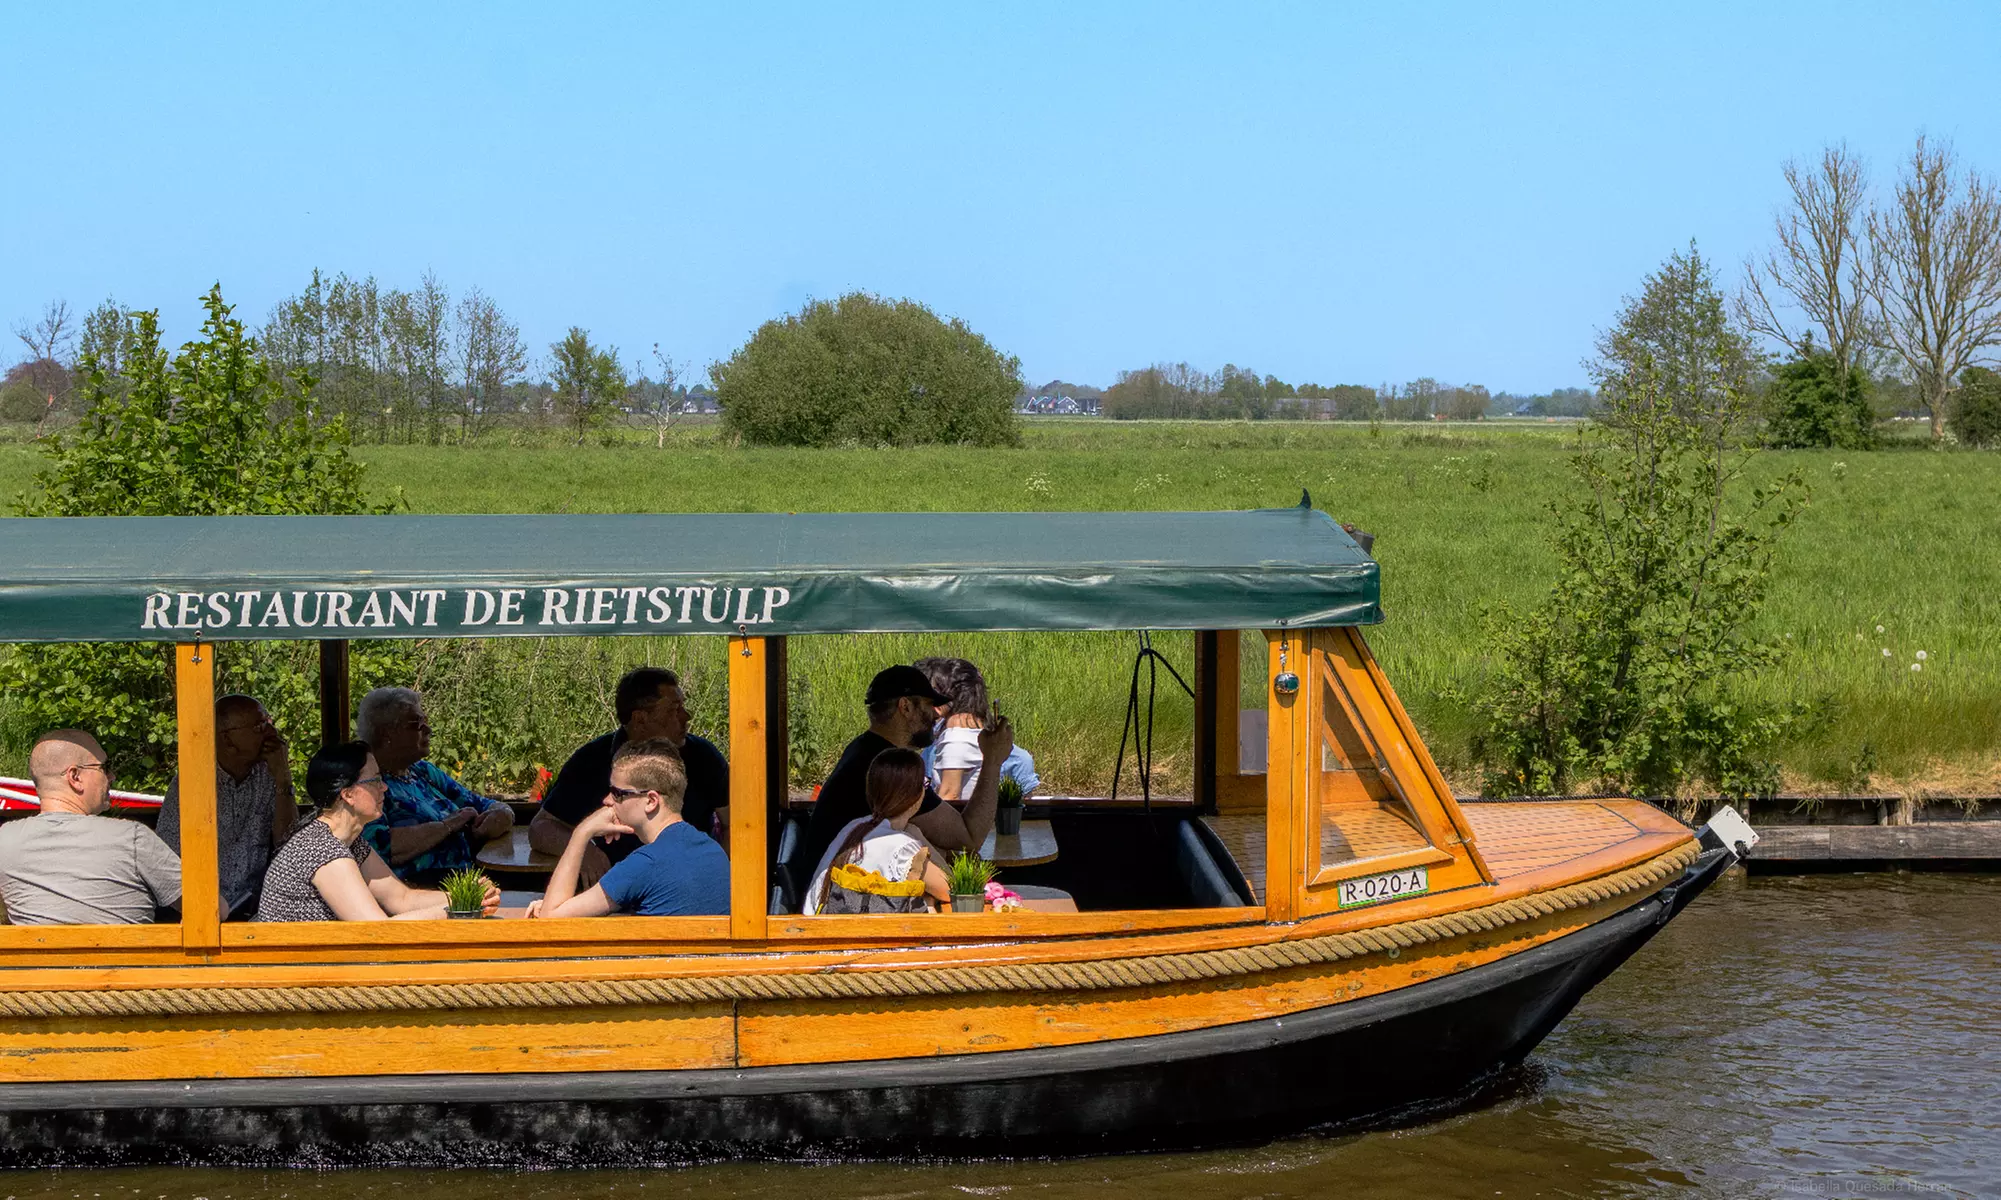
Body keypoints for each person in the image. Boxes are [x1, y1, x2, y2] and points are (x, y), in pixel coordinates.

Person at [799, 665, 1012, 873]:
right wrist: (992, 760)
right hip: (841, 899)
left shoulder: (864, 749)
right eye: (929, 705)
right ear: (906, 707)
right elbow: (969, 838)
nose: (936, 715)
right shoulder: (890, 768)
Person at [528, 667, 729, 887]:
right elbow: (541, 828)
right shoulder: (592, 761)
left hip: (688, 887)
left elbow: (736, 825)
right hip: (614, 892)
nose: (686, 717)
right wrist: (585, 851)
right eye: (674, 710)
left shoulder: (704, 758)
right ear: (640, 719)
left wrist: (722, 880)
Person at [257, 742, 498, 922]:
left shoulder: (349, 842)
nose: (383, 787)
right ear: (347, 794)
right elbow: (376, 930)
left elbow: (401, 899)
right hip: (298, 980)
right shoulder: (323, 851)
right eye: (374, 781)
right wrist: (457, 911)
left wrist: (468, 895)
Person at [527, 738, 729, 918]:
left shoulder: (645, 864)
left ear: (651, 801)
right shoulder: (713, 850)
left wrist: (582, 832)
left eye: (618, 794)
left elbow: (550, 918)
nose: (606, 801)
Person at [0, 730, 182, 925]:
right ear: (75, 776)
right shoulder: (133, 839)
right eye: (104, 767)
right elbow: (210, 906)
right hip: (121, 956)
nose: (112, 776)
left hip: (35, 956)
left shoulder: (5, 841)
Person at [157, 693, 298, 918]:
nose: (273, 733)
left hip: (254, 912)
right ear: (227, 739)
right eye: (260, 726)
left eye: (269, 723)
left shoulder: (269, 773)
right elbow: (167, 862)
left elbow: (289, 844)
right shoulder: (193, 783)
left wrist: (283, 780)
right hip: (198, 914)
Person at [355, 686, 513, 884]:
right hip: (417, 892)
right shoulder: (366, 783)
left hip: (467, 882)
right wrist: (448, 825)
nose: (428, 729)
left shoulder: (421, 771)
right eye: (417, 724)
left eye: (425, 721)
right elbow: (381, 846)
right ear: (388, 734)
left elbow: (482, 804)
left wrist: (502, 814)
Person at [802, 747, 950, 915]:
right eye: (925, 783)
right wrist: (928, 899)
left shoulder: (854, 827)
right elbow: (950, 889)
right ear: (915, 796)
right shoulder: (901, 847)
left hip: (821, 928)